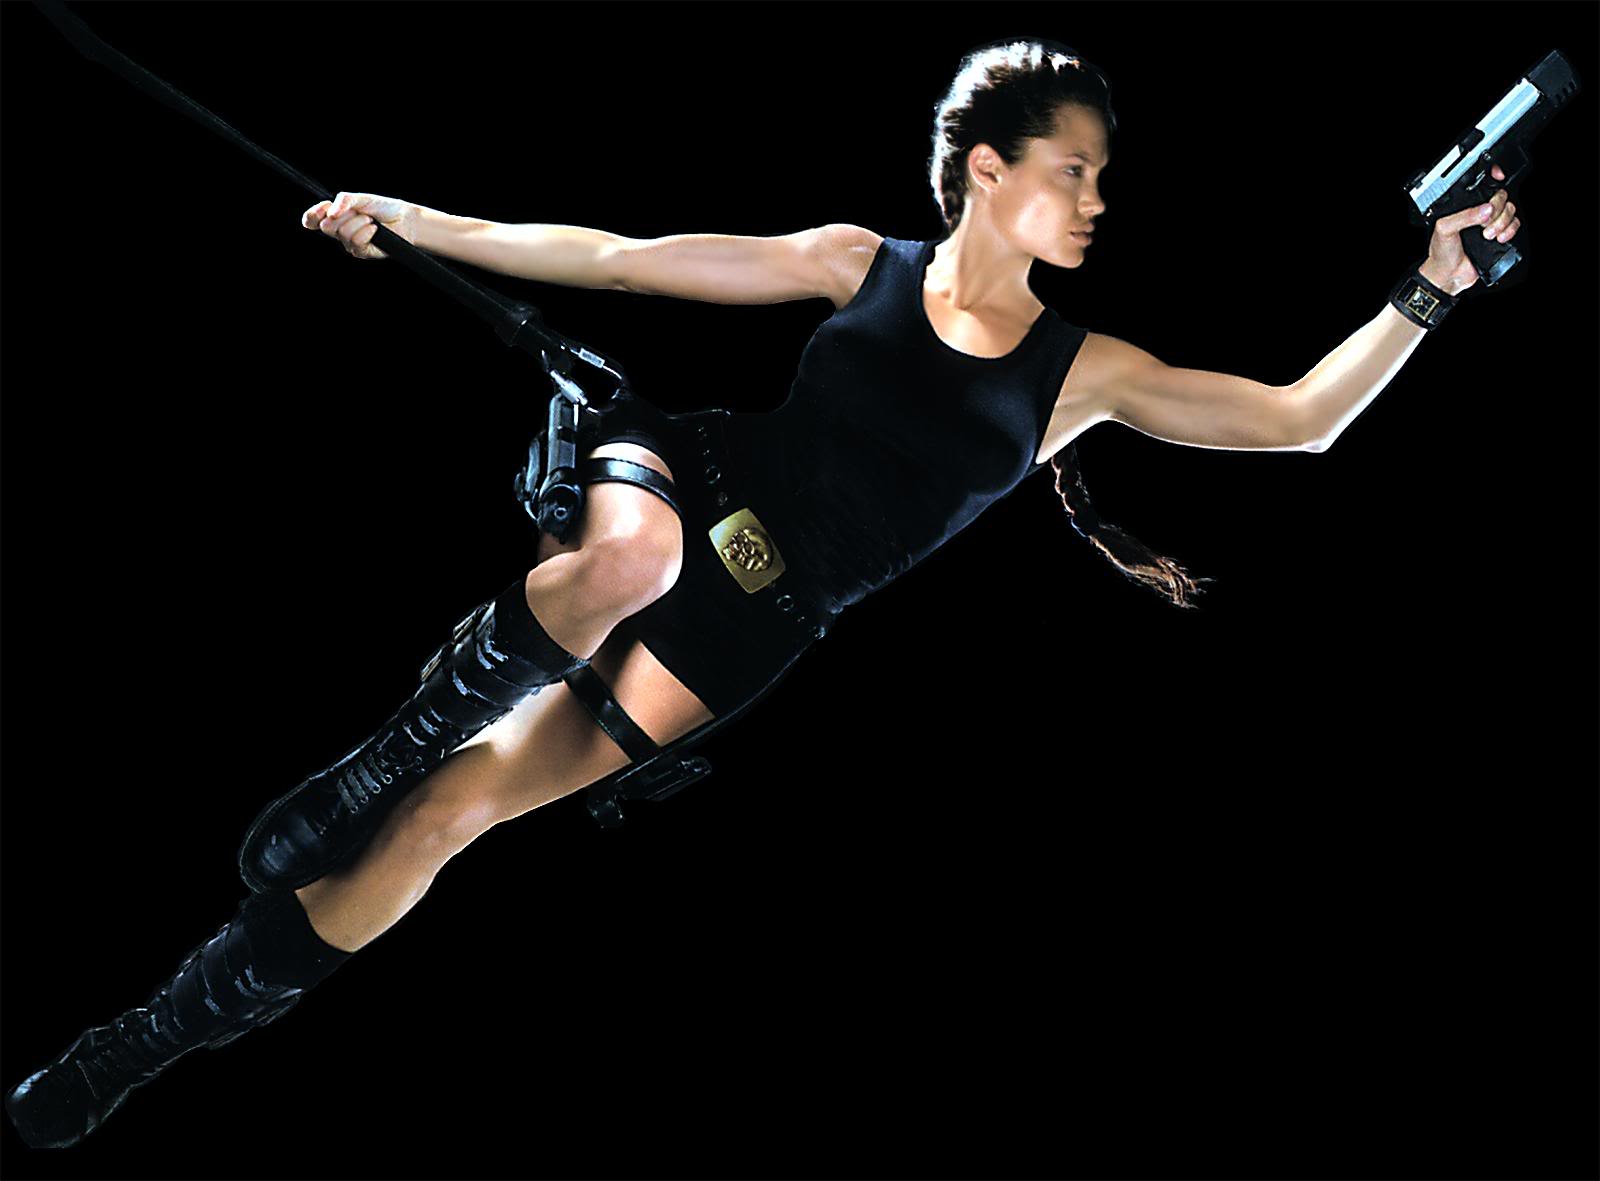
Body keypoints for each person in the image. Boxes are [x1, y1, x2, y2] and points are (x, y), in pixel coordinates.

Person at [4, 38, 1521, 1150]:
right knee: (628, 562)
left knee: (448, 822)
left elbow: (1298, 420)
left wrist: (1431, 289)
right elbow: (617, 256)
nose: (1096, 201)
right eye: (1075, 170)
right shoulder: (858, 263)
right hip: (685, 483)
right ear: (988, 170)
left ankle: (149, 1035)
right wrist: (406, 218)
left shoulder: (1085, 377)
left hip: (755, 627)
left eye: (1101, 179)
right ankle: (391, 743)